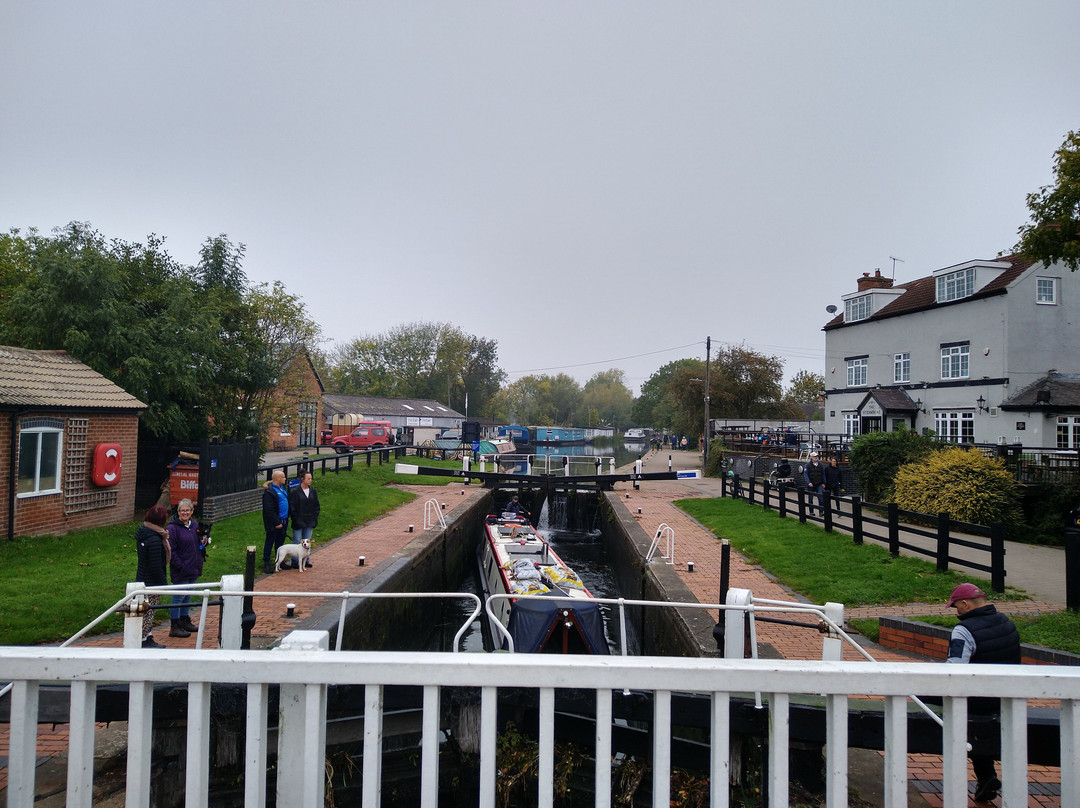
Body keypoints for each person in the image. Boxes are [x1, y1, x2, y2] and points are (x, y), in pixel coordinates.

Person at [945, 582, 1020, 803]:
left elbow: (954, 670)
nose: (956, 611)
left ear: (966, 604)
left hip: (978, 699)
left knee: (919, 694)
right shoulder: (1007, 622)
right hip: (1006, 697)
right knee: (980, 726)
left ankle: (985, 777)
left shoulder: (963, 630)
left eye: (956, 606)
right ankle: (987, 777)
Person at [134, 505, 171, 649]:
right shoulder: (155, 540)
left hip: (142, 578)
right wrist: (163, 584)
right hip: (152, 582)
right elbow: (155, 566)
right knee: (148, 612)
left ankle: (148, 637)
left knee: (146, 611)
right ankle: (143, 640)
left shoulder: (144, 534)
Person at [167, 498, 203, 637]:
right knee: (179, 596)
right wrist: (180, 565)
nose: (185, 513)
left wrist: (204, 542)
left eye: (187, 510)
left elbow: (198, 543)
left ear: (192, 511)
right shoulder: (172, 528)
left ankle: (184, 620)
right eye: (182, 511)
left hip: (194, 566)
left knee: (188, 595)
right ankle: (174, 625)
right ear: (178, 512)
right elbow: (171, 550)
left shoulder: (194, 525)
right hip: (181, 568)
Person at [288, 471, 320, 569]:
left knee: (307, 540)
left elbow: (316, 505)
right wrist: (295, 517)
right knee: (297, 540)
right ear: (302, 479)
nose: (310, 480)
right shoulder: (295, 492)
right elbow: (292, 506)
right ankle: (295, 561)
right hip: (299, 519)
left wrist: (315, 516)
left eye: (311, 478)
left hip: (310, 520)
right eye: (308, 479)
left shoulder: (313, 491)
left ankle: (306, 560)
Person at [262, 469, 290, 574]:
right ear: (277, 478)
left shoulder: (282, 489)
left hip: (284, 520)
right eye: (283, 477)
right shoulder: (270, 492)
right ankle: (267, 562)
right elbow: (269, 509)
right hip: (274, 523)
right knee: (270, 541)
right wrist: (276, 522)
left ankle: (280, 561)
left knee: (280, 542)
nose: (285, 478)